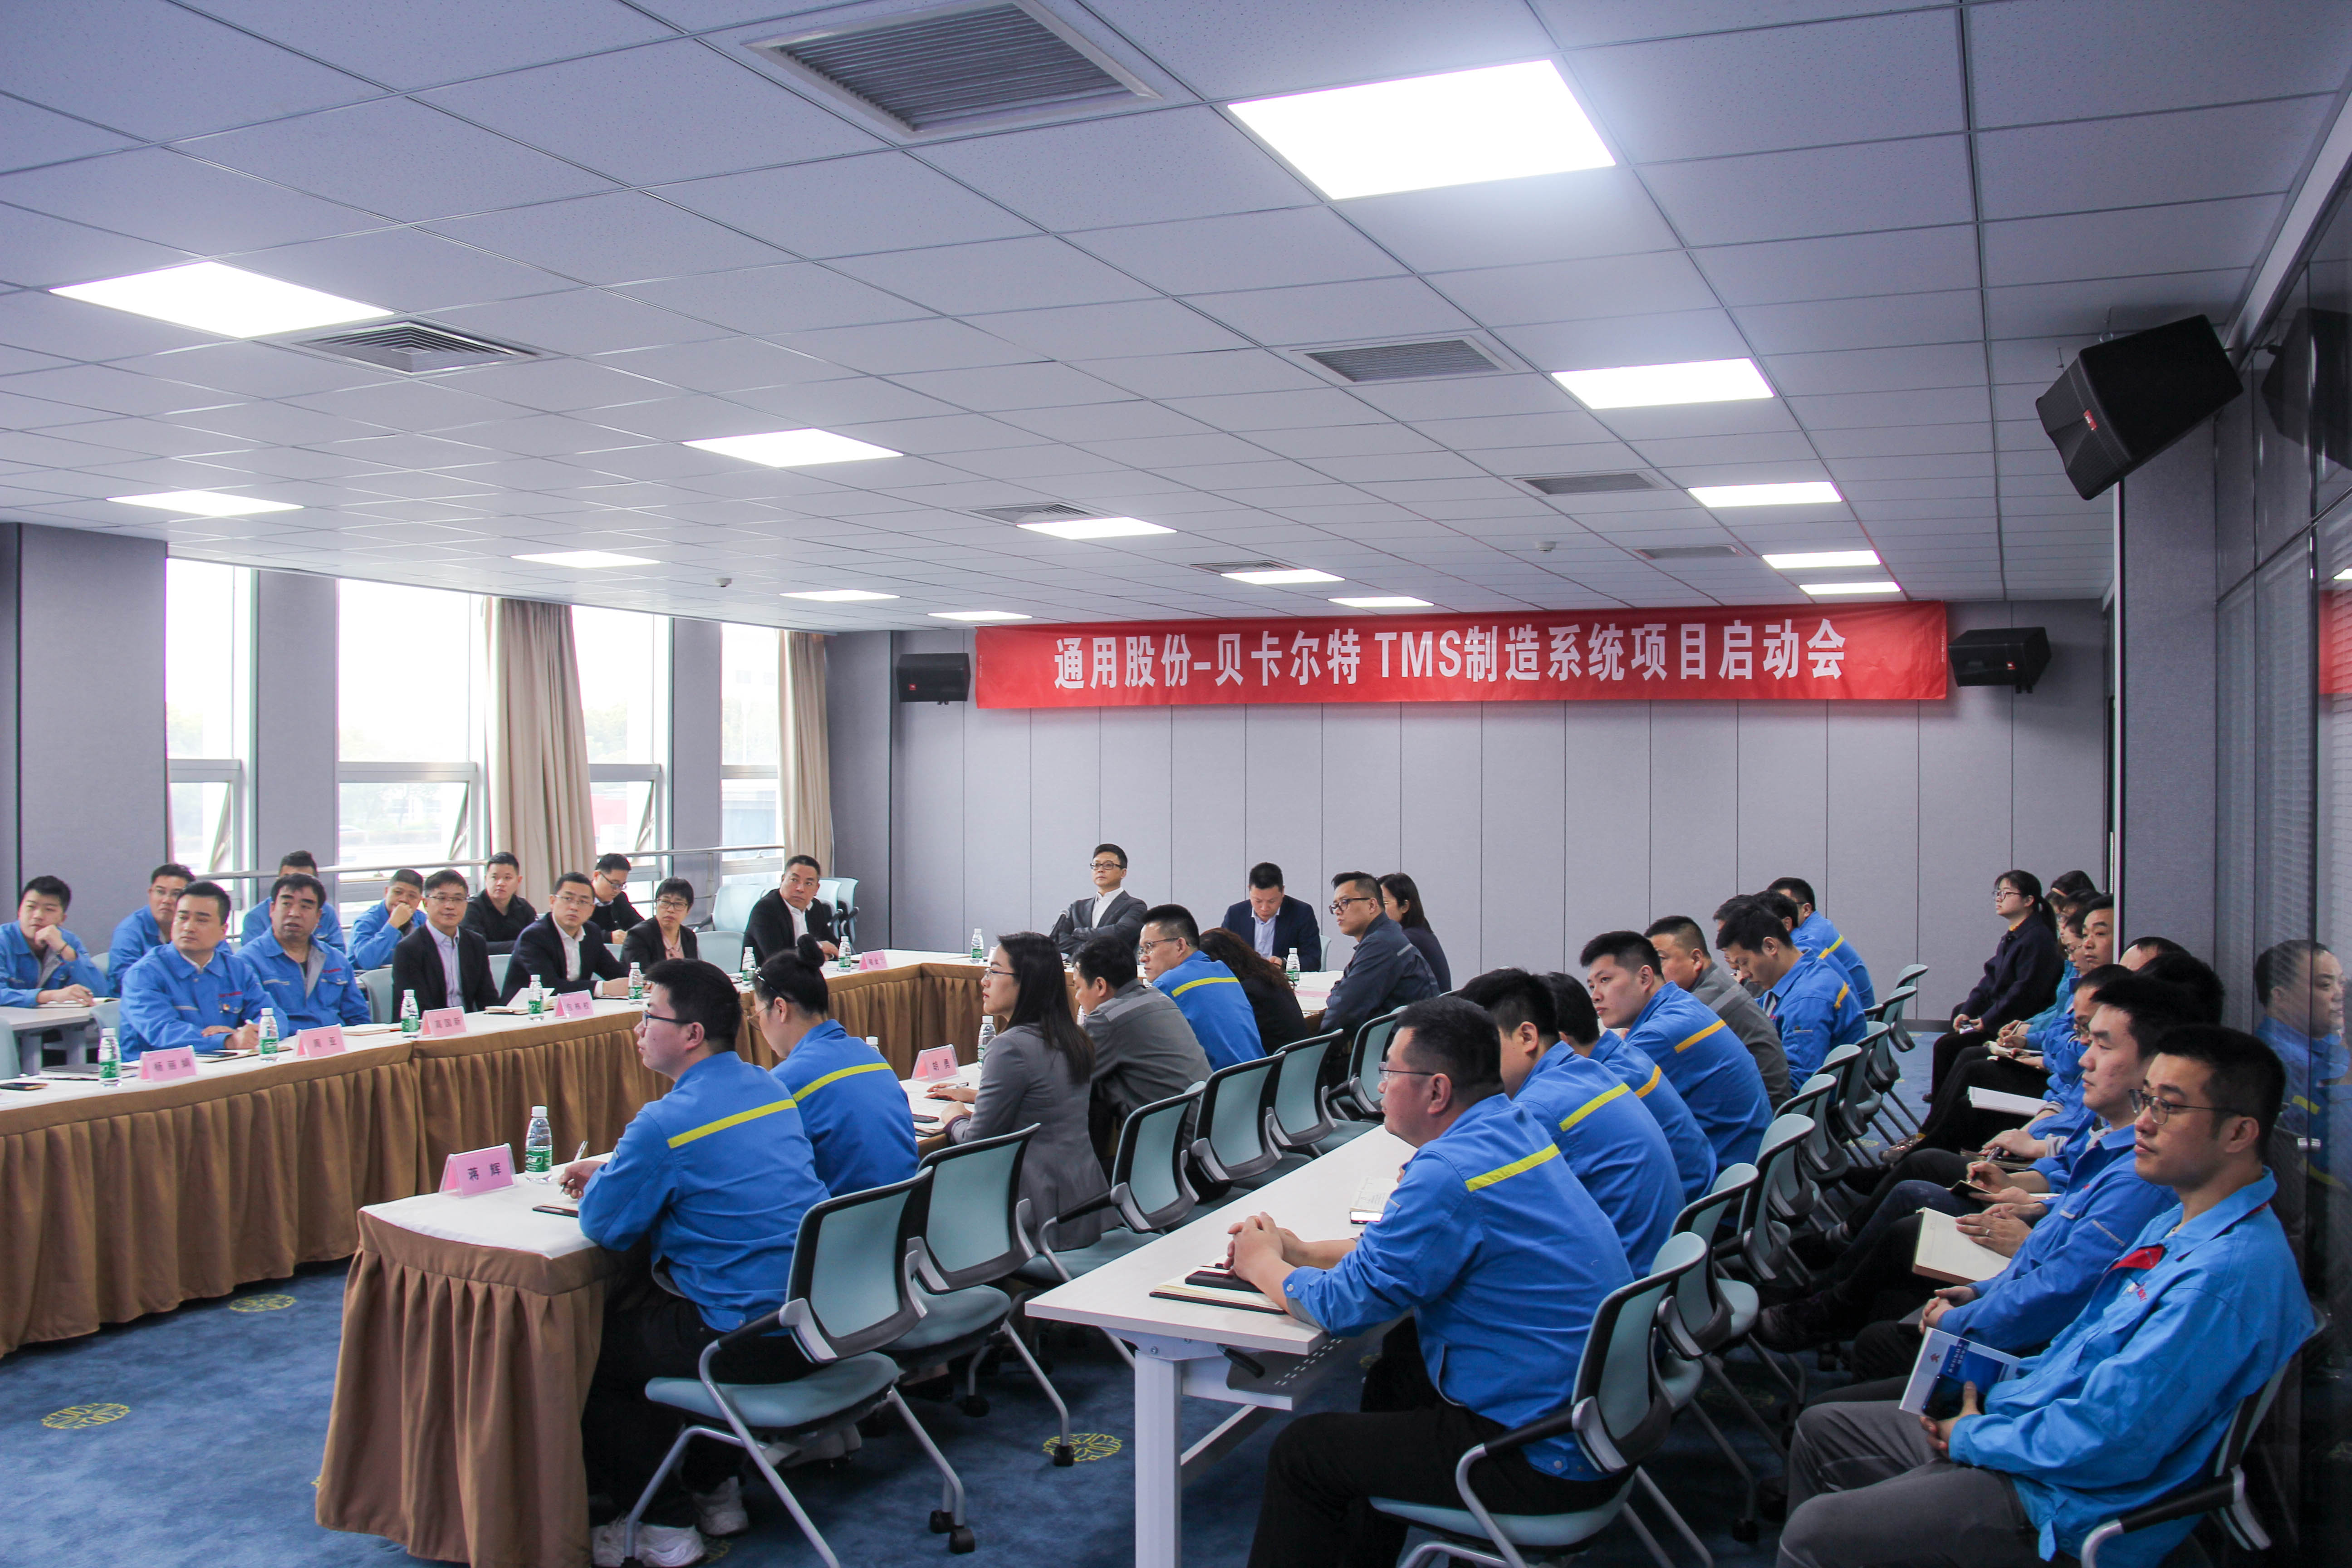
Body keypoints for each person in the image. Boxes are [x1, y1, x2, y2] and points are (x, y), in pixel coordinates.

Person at [1778, 1027, 2312, 1568]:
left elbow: (2109, 1440)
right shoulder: (2181, 1219)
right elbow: (2080, 1349)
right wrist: (1995, 1400)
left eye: (2168, 1108)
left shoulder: (2220, 1282)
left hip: (2063, 1502)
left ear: (2238, 1132)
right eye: (2146, 1100)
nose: (2145, 1122)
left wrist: (1974, 1436)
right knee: (1825, 1431)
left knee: (1814, 1532)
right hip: (2031, 1430)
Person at [1230, 995, 1633, 1568]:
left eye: (1389, 1071)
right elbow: (1419, 1251)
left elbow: (1344, 1307)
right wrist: (1299, 1252)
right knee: (1396, 1377)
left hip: (1540, 1459)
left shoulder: (1448, 1173)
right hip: (1591, 1425)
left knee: (1303, 1454)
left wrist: (1261, 1265)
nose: (1380, 1085)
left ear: (1437, 1091)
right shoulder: (1512, 1129)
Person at [1757, 972, 2185, 1372]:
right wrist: (2028, 1199)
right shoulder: (2117, 1135)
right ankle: (1829, 1288)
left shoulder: (2141, 1173)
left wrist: (2022, 1240)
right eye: (2085, 1038)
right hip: (2031, 1232)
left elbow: (2068, 1284)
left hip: (2029, 1297)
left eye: (2102, 1045)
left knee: (1911, 1229)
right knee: (1917, 1201)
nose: (2085, 1058)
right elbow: (2074, 1198)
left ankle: (1828, 1296)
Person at [556, 960, 830, 1568]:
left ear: (692, 1035)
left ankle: (663, 1525)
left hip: (745, 1340)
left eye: (648, 1015)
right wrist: (623, 1169)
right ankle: (717, 1489)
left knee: (599, 1355)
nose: (638, 1029)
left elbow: (604, 1226)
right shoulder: (770, 1088)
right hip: (815, 1319)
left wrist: (614, 1176)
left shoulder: (664, 1122)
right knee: (672, 1320)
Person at [1461, 967, 1680, 1272]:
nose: (1469, 1065)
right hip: (1655, 1269)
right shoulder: (1591, 1071)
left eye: (1482, 1047)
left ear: (1527, 1037)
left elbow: (1465, 1194)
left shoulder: (1538, 1108)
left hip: (1626, 1279)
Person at [926, 932, 1112, 1249]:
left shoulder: (1009, 1047)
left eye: (994, 971)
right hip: (1084, 1201)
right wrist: (975, 1098)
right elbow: (1046, 1103)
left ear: (1026, 982)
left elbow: (976, 1143)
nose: (984, 981)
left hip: (1038, 1215)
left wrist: (954, 1117)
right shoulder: (1073, 1038)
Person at [1584, 930, 1770, 1167]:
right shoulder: (1682, 1003)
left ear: (1644, 978)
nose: (1596, 996)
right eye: (1592, 986)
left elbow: (1598, 1110)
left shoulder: (1657, 1035)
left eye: (1605, 980)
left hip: (1726, 1168)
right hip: (1745, 1154)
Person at [754, 941, 916, 1198]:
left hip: (844, 1219)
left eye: (758, 1016)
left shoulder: (785, 1082)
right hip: (904, 1212)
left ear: (780, 1009)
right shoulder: (871, 1057)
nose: (760, 1026)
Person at [1544, 971, 1717, 1201]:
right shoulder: (1625, 1056)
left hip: (1688, 1200)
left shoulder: (1602, 1085)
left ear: (1560, 1042)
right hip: (1698, 1189)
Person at [1073, 933, 1211, 1164]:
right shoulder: (1160, 999)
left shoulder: (1108, 1018)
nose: (1077, 998)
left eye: (1078, 988)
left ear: (1100, 986)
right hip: (1206, 1144)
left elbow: (1070, 1080)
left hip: (1172, 1158)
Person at [1935, 869, 2067, 1092]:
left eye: (2006, 893)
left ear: (2028, 901)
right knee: (1959, 1013)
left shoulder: (2037, 938)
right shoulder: (2017, 933)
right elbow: (1990, 978)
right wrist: (1969, 1011)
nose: (1999, 898)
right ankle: (1945, 1094)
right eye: (1998, 893)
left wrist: (1987, 1020)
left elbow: (2023, 993)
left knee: (1947, 1047)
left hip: (2015, 1020)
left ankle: (1944, 1099)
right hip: (2004, 1012)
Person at [1646, 913, 1791, 1104]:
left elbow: (1647, 1056)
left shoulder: (1704, 1003)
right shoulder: (1716, 983)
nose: (1654, 972)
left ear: (1696, 959)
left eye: (1660, 960)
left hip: (1765, 1109)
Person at [1714, 901, 1865, 1083]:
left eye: (1744, 963)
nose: (1745, 974)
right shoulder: (1804, 972)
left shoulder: (1806, 1001)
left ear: (1770, 947)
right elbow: (1756, 1013)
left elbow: (1800, 1085)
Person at [118, 880, 261, 1059]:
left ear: (223, 931)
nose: (188, 927)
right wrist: (227, 1041)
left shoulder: (238, 969)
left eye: (202, 920)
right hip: (158, 1070)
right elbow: (163, 1032)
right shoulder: (144, 974)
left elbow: (271, 1015)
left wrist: (253, 1032)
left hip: (222, 1066)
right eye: (182, 918)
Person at [240, 872, 373, 1033]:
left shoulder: (336, 960)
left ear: (318, 916)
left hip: (338, 1044)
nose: (294, 913)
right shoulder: (247, 962)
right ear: (272, 909)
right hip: (285, 1045)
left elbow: (359, 1020)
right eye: (287, 904)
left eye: (305, 906)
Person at [2253, 938, 2345, 1168]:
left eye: (2342, 984)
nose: (2340, 994)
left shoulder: (2326, 1046)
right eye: (2326, 985)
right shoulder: (2289, 1062)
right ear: (2280, 997)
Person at [1138, 903, 1263, 1070]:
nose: (1143, 958)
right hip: (1256, 1078)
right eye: (1142, 950)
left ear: (1180, 946)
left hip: (1217, 1084)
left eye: (1150, 947)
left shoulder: (1168, 984)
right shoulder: (1224, 972)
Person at [1318, 872, 1440, 1042]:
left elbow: (1344, 1012)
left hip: (1405, 1048)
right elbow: (1343, 992)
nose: (1338, 911)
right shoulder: (1386, 934)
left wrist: (1320, 1047)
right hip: (1409, 1040)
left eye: (1345, 902)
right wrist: (1337, 998)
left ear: (1372, 905)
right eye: (1335, 905)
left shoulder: (1381, 944)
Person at [501, 872, 631, 1002]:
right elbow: (548, 986)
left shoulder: (591, 933)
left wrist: (636, 981)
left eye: (583, 902)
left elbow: (614, 972)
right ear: (552, 901)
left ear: (591, 909)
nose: (574, 907)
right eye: (568, 899)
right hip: (525, 1009)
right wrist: (603, 988)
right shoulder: (533, 937)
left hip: (573, 1008)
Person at [391, 869, 499, 1014]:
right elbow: (418, 1009)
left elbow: (488, 999)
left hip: (468, 1023)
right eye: (442, 898)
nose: (450, 906)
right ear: (426, 904)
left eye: (458, 899)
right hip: (428, 1025)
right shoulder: (409, 949)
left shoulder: (475, 943)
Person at [1767, 875, 1877, 1013]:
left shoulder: (1812, 938)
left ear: (1806, 910)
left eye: (1786, 906)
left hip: (1860, 1011)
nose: (1778, 914)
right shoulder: (1817, 926)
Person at [1198, 926, 1309, 1052]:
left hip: (1275, 1061)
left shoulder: (1246, 992)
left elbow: (1234, 1039)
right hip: (1296, 1059)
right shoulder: (1267, 977)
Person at [0, 875, 103, 1006]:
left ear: (62, 919)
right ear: (19, 911)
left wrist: (64, 950)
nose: (38, 916)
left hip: (56, 1019)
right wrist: (50, 996)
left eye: (49, 910)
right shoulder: (4, 940)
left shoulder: (68, 941)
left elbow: (99, 993)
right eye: (31, 907)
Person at [1047, 843, 1147, 961]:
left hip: (1114, 968)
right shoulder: (1077, 907)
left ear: (1123, 873)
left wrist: (1079, 933)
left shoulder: (1135, 906)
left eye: (1108, 865)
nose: (1100, 870)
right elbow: (1058, 937)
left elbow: (1119, 933)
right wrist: (1088, 951)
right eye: (1096, 865)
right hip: (1076, 967)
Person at [1219, 861, 1322, 971]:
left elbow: (1313, 960)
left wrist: (1284, 963)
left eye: (1272, 901)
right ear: (1249, 890)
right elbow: (1220, 954)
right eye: (1258, 901)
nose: (1264, 908)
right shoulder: (1235, 914)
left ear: (1282, 891)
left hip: (1282, 979)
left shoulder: (1301, 913)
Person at [106, 862, 189, 997]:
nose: (166, 900)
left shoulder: (195, 926)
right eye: (160, 892)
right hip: (141, 1002)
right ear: (150, 893)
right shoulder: (129, 932)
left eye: (176, 894)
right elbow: (125, 980)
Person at [239, 850, 345, 951]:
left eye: (304, 882)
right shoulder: (256, 918)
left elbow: (338, 953)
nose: (294, 914)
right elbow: (254, 958)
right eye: (288, 881)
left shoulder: (327, 911)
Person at [744, 854, 839, 964]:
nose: (800, 889)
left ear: (817, 889)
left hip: (808, 972)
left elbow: (834, 947)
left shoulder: (815, 907)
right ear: (783, 880)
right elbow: (777, 958)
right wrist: (818, 948)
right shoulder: (766, 909)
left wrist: (823, 953)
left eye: (808, 883)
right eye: (794, 880)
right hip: (770, 974)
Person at [1376, 872, 1450, 992]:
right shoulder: (1421, 932)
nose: (1377, 910)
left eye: (1384, 903)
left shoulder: (1406, 940)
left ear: (1404, 906)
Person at [344, 869, 424, 970]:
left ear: (419, 901)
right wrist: (393, 924)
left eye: (412, 896)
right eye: (398, 892)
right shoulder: (366, 921)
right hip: (366, 978)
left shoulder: (422, 920)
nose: (404, 900)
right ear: (387, 892)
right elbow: (368, 963)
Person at [464, 851, 536, 955]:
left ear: (519, 881)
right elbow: (474, 946)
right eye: (495, 877)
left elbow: (537, 941)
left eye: (508, 878)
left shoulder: (524, 908)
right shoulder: (471, 908)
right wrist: (520, 945)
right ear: (486, 879)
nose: (501, 883)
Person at [622, 878, 701, 971]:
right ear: (656, 904)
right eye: (665, 902)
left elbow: (694, 973)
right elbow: (643, 977)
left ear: (689, 909)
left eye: (679, 904)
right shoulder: (638, 936)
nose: (671, 910)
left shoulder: (689, 937)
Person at [587, 853, 644, 939]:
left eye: (621, 885)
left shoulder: (619, 898)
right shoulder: (581, 898)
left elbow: (637, 923)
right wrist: (609, 937)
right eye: (614, 884)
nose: (617, 890)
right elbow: (577, 931)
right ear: (597, 876)